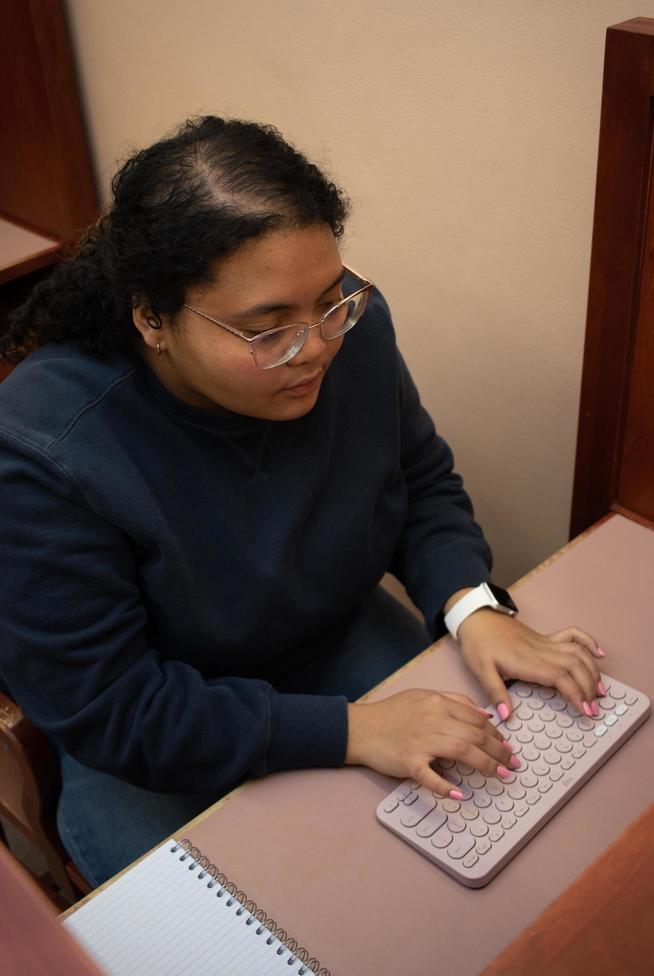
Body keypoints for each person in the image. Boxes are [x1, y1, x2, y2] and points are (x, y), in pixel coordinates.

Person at [0, 116, 604, 888]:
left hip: (330, 638)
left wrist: (470, 606)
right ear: (152, 317)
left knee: (500, 840)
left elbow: (416, 478)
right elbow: (114, 708)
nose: (315, 345)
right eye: (266, 328)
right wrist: (352, 730)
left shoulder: (352, 334)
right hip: (165, 724)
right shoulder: (45, 449)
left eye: (330, 299)